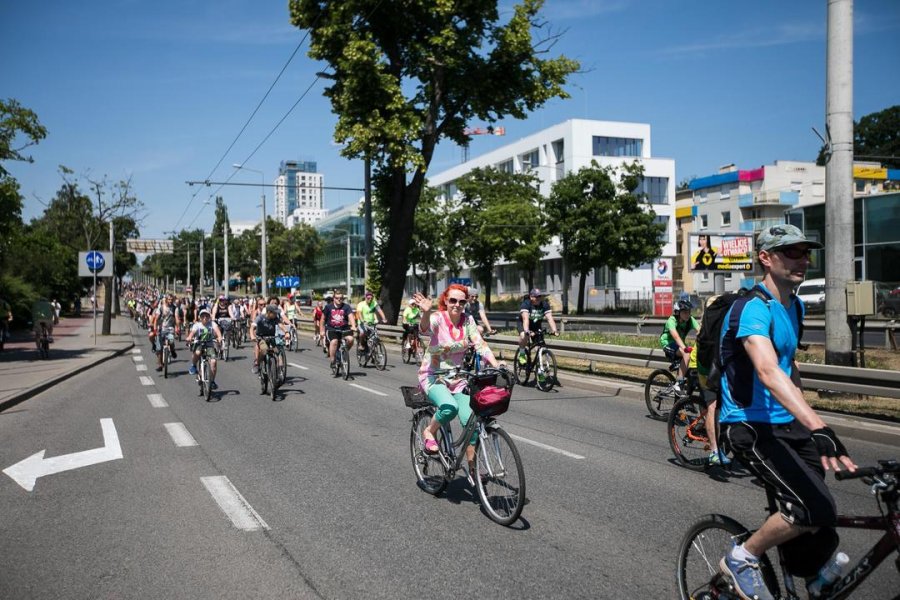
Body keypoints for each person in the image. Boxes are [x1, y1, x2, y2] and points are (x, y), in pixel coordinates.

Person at [716, 225, 856, 600]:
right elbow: (766, 369)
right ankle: (742, 557)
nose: (803, 260)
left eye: (805, 252)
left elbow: (789, 369)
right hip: (749, 424)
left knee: (820, 514)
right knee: (813, 505)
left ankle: (807, 575)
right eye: (791, 252)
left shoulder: (793, 305)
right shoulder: (751, 308)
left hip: (786, 424)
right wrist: (820, 425)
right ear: (766, 257)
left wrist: (808, 424)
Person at [413, 285, 505, 476]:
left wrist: (496, 365)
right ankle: (429, 432)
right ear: (445, 300)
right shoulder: (438, 318)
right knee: (449, 407)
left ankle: (473, 469)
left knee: (471, 421)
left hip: (457, 378)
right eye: (453, 300)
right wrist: (426, 312)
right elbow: (424, 329)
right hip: (433, 376)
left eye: (462, 301)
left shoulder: (468, 320)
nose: (457, 304)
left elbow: (480, 344)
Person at [659, 299, 699, 386]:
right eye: (684, 312)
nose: (687, 314)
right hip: (668, 343)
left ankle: (682, 389)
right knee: (686, 354)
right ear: (677, 312)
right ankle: (679, 383)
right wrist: (685, 348)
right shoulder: (672, 320)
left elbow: (700, 331)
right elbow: (676, 336)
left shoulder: (690, 320)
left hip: (680, 345)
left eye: (689, 312)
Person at [186, 308, 224, 389]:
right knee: (198, 352)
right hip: (199, 343)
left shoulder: (212, 324)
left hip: (209, 344)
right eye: (203, 316)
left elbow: (217, 331)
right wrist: (189, 337)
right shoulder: (197, 325)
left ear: (209, 317)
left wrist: (220, 337)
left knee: (213, 362)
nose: (205, 318)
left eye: (206, 316)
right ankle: (193, 366)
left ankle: (212, 381)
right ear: (200, 317)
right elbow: (192, 333)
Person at [517, 288, 558, 362]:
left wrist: (554, 330)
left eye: (539, 296)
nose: (538, 298)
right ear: (531, 297)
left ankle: (539, 368)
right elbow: (525, 319)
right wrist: (527, 331)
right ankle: (522, 354)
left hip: (536, 326)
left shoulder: (544, 304)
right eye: (536, 297)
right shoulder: (526, 304)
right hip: (524, 324)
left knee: (540, 347)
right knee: (524, 335)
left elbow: (550, 319)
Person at [250, 304, 288, 374]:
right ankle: (257, 364)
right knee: (264, 350)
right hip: (261, 337)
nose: (276, 314)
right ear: (269, 312)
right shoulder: (260, 318)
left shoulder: (275, 318)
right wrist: (252, 335)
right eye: (275, 313)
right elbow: (252, 327)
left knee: (277, 350)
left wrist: (286, 332)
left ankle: (278, 369)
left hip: (271, 337)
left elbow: (281, 325)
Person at [322, 291, 355, 368]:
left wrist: (353, 325)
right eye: (337, 298)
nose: (339, 300)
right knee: (334, 341)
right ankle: (333, 361)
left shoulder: (346, 307)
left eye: (341, 298)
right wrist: (321, 331)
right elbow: (322, 319)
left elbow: (351, 316)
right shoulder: (328, 307)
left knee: (351, 339)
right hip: (331, 329)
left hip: (344, 328)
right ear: (334, 298)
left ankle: (344, 353)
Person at [151, 293, 182, 371]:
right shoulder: (161, 308)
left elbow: (177, 318)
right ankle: (160, 365)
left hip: (170, 328)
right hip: (161, 329)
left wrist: (178, 328)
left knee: (171, 341)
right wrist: (155, 329)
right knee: (159, 348)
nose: (170, 301)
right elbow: (156, 319)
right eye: (169, 299)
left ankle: (172, 350)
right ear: (166, 300)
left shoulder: (175, 308)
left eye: (172, 299)